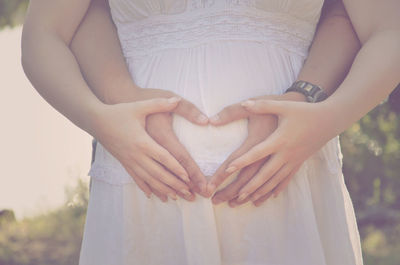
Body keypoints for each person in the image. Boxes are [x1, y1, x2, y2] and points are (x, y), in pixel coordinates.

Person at [20, 0, 400, 264]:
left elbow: (387, 29)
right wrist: (102, 118)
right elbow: (46, 34)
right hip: (143, 189)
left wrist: (323, 114)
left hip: (289, 183)